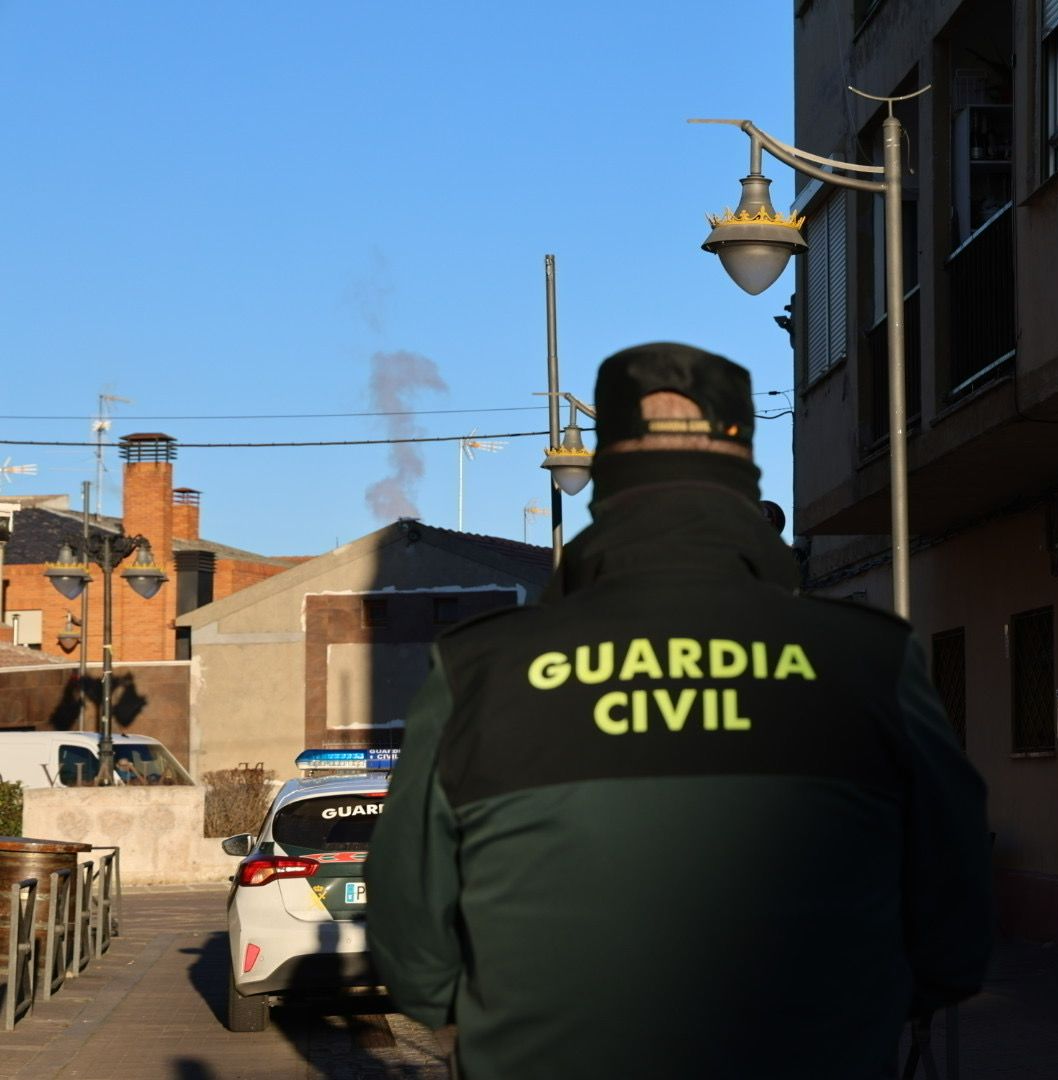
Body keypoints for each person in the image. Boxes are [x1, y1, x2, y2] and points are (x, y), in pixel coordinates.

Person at [366, 342, 992, 1079]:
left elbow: (411, 947)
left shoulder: (478, 671)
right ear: (741, 465)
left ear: (607, 471)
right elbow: (955, 927)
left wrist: (498, 1020)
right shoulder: (872, 663)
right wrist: (850, 1013)